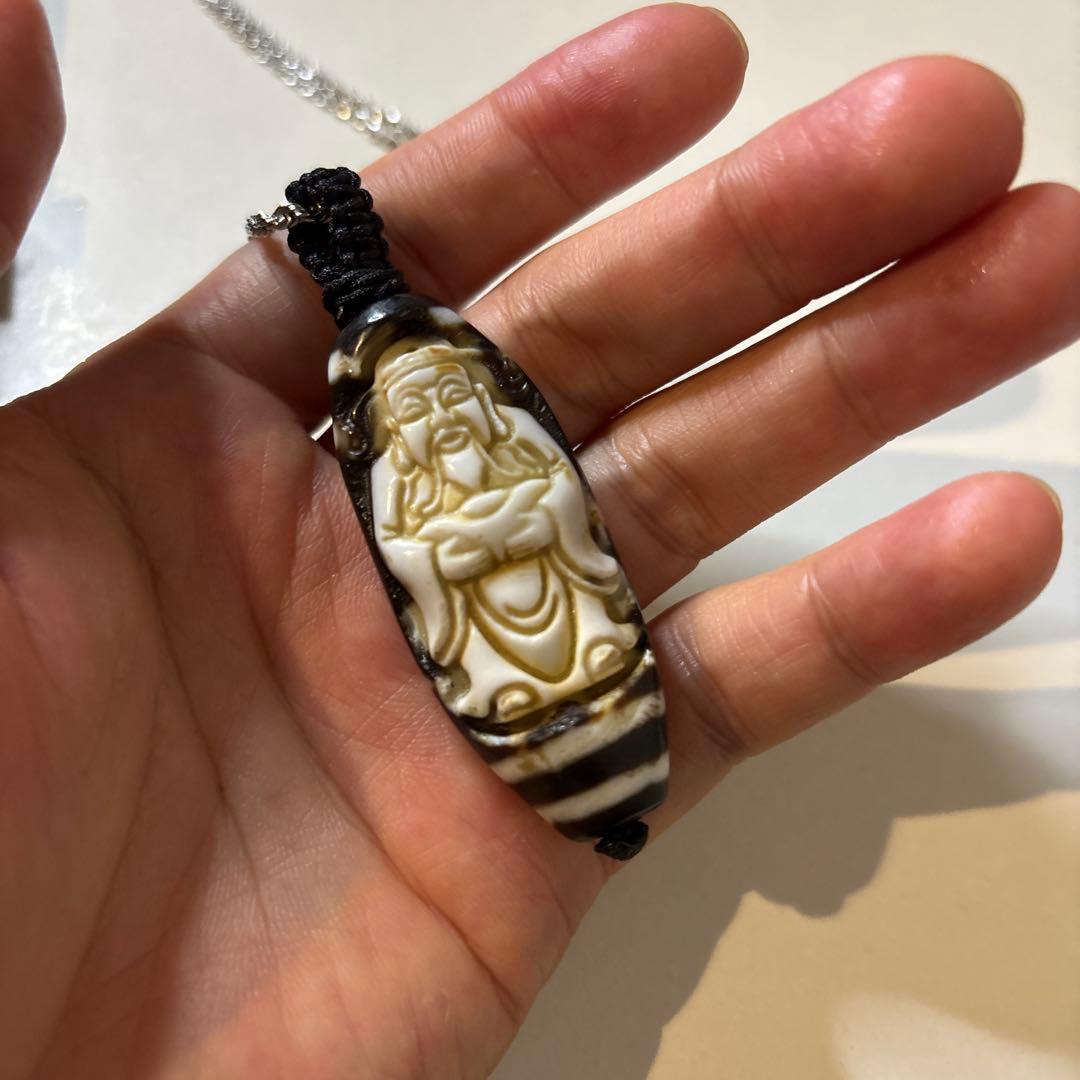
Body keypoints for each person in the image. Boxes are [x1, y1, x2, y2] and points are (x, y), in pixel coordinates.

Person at [1, 2, 1076, 1076]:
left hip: (558, 622)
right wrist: (477, 534)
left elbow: (542, 512)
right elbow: (427, 555)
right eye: (419, 421)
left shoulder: (476, 432)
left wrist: (496, 522)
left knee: (554, 590)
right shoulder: (406, 459)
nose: (444, 433)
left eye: (455, 410)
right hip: (500, 638)